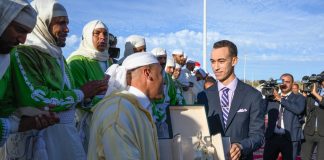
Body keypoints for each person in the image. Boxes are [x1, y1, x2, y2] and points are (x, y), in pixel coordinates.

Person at [9, 0, 107, 159]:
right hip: (39, 140)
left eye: (67, 23)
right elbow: (36, 98)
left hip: (66, 137)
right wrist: (81, 93)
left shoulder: (58, 56)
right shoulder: (25, 53)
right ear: (42, 23)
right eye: (61, 23)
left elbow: (73, 97)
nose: (67, 29)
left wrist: (91, 95)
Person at [0, 0, 59, 147]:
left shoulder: (5, 58)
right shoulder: (20, 54)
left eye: (27, 33)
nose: (23, 40)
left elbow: (4, 105)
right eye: (19, 30)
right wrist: (13, 125)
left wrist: (21, 113)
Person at [197, 40, 264, 160]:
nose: (215, 67)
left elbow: (258, 136)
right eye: (213, 62)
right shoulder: (203, 96)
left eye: (221, 61)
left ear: (234, 61)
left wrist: (241, 146)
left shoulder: (253, 95)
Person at [88, 52, 162, 159]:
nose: (163, 81)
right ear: (147, 73)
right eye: (160, 74)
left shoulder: (133, 108)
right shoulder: (118, 113)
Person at [67, 20, 110, 152]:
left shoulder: (108, 60)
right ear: (87, 36)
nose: (102, 37)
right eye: (97, 33)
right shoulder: (77, 61)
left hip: (108, 121)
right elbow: (79, 98)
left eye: (105, 34)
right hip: (86, 125)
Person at [263, 73, 306, 160]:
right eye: (282, 82)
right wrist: (266, 97)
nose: (284, 84)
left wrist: (280, 99)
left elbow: (298, 110)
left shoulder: (299, 98)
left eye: (287, 82)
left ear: (292, 83)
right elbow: (261, 110)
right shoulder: (272, 98)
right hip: (272, 137)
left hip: (290, 138)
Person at [151, 47, 177, 138]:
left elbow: (173, 97)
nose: (163, 61)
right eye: (160, 58)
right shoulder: (148, 76)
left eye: (164, 58)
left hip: (166, 119)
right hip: (150, 117)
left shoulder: (169, 78)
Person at [301, 77, 324, 160]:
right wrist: (304, 97)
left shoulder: (314, 93)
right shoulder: (312, 93)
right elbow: (304, 109)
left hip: (323, 133)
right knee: (304, 157)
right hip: (309, 131)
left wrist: (314, 93)